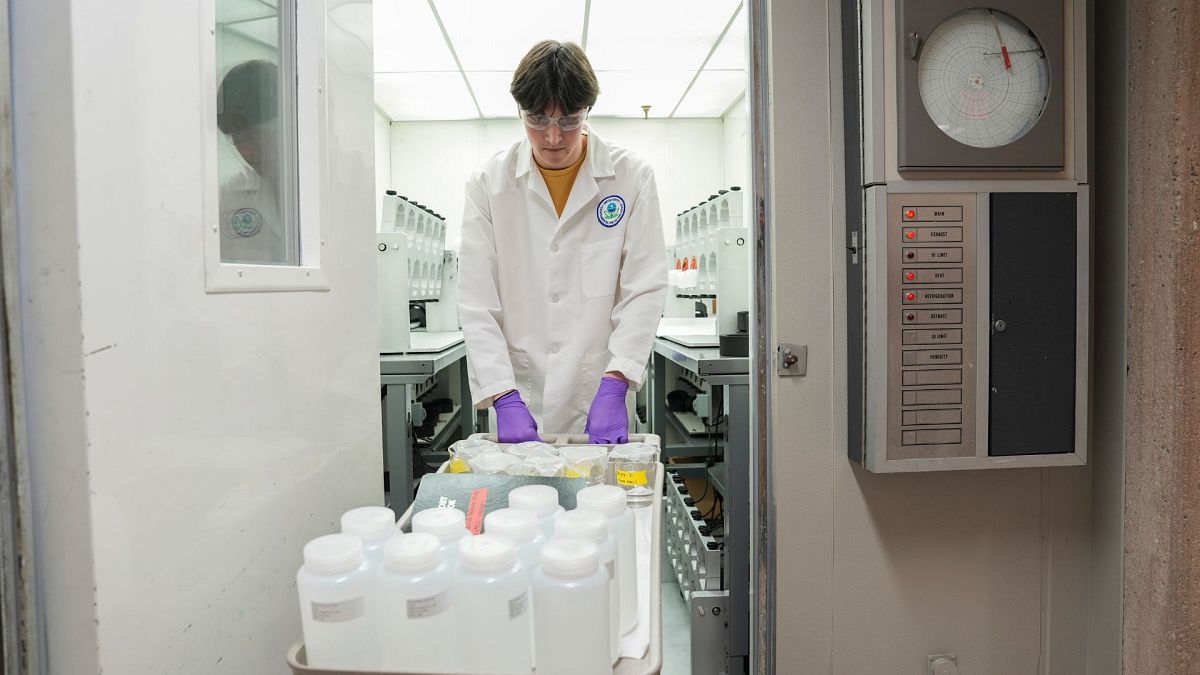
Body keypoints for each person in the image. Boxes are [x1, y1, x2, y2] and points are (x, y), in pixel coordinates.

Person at [458, 40, 668, 445]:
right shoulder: (488, 184)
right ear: (519, 111)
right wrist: (502, 394)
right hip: (519, 390)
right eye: (537, 119)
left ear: (588, 110)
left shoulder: (632, 178)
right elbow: (476, 301)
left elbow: (644, 289)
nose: (553, 137)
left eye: (569, 121)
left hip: (598, 391)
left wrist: (618, 379)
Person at [216, 59, 288, 264]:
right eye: (237, 140)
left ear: (286, 124)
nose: (247, 152)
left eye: (255, 136)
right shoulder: (229, 198)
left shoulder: (351, 183)